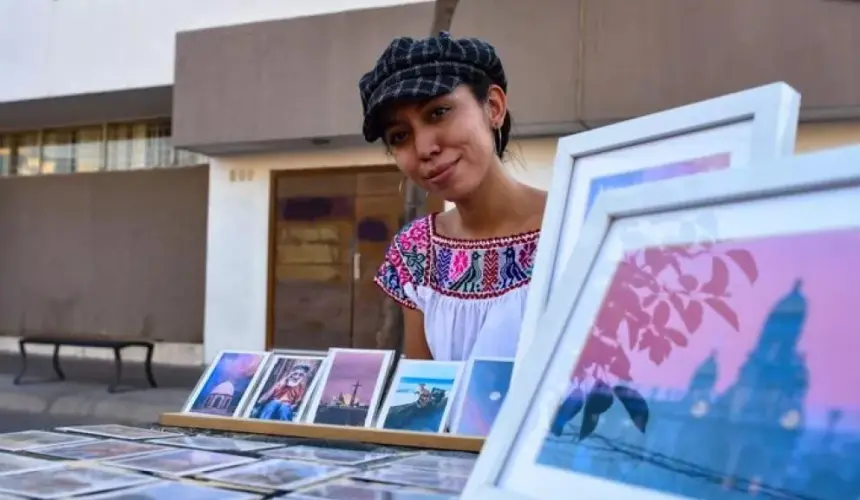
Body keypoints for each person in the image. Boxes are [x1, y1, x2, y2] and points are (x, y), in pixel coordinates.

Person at [359, 32, 546, 362]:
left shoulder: (578, 224)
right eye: (400, 136)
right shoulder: (416, 250)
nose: (424, 148)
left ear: (493, 107)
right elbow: (423, 399)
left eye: (438, 112)